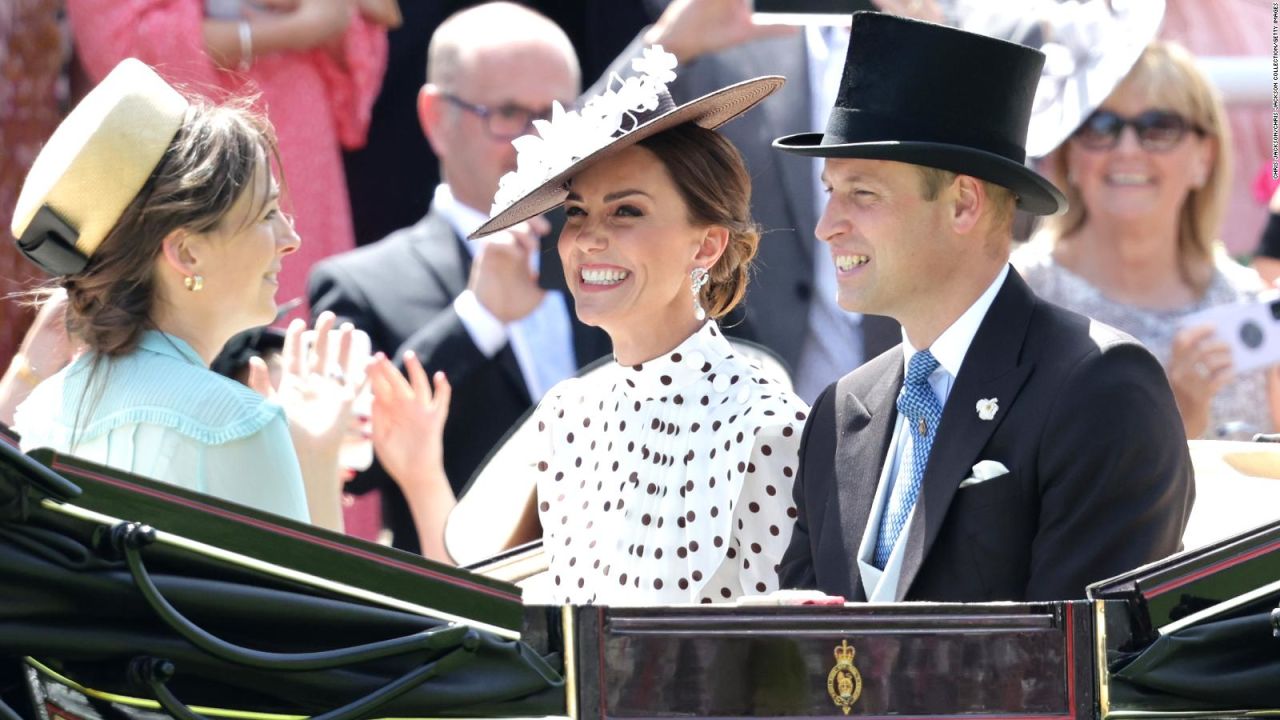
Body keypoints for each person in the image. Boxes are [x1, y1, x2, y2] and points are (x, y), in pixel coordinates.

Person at [776, 12, 1194, 603]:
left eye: (862, 194)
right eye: (830, 193)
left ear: (963, 205)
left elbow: (1081, 668)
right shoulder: (839, 412)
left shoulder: (1102, 388)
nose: (826, 227)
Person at [388, 48, 807, 603]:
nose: (587, 238)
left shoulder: (769, 427)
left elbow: (785, 656)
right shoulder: (566, 414)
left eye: (626, 211)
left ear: (706, 244)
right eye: (576, 212)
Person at [307, 2, 610, 553]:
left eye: (558, 114)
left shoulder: (619, 252)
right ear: (435, 118)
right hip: (464, 613)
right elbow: (354, 455)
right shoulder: (363, 282)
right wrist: (477, 320)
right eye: (509, 114)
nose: (537, 140)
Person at [9, 59, 357, 528]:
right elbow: (308, 601)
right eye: (267, 214)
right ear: (186, 253)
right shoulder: (238, 422)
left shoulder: (40, 414)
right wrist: (314, 460)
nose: (290, 238)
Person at [598, 0, 901, 402]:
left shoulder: (971, 25)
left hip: (921, 400)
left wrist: (950, 51)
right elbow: (559, 178)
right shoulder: (723, 35)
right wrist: (665, 47)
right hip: (752, 406)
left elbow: (1012, 212)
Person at [1014, 41, 1277, 440]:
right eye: (1101, 127)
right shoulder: (1016, 297)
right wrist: (1178, 416)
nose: (1128, 150)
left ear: (1204, 158)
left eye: (1159, 128)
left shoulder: (1251, 309)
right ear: (1069, 154)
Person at [65, 0, 392, 315]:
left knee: (304, 312)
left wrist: (321, 19)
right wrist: (293, 29)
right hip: (189, 145)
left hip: (296, 139)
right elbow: (125, 46)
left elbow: (356, 20)